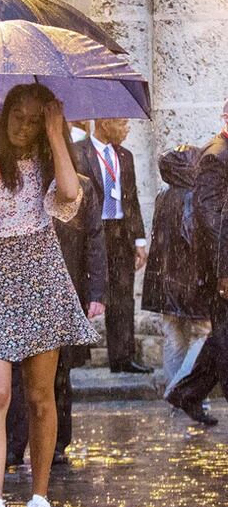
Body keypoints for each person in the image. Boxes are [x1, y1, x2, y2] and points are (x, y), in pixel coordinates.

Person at [0, 84, 98, 507]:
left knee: (39, 397)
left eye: (34, 119)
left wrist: (57, 132)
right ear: (4, 113)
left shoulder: (49, 166)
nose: (23, 125)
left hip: (40, 275)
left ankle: (39, 498)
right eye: (18, 115)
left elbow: (70, 197)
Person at [6, 173, 107, 467]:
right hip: (19, 287)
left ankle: (57, 443)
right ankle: (14, 442)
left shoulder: (80, 186)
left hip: (65, 285)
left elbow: (94, 239)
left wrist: (96, 291)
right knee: (16, 370)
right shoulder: (12, 181)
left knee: (58, 371)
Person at [73, 119, 152, 374]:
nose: (127, 128)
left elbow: (132, 198)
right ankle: (78, 352)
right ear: (105, 124)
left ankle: (122, 357)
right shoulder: (77, 152)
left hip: (120, 232)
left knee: (122, 295)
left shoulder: (125, 156)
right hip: (90, 233)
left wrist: (139, 240)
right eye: (122, 123)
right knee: (86, 289)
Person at [166, 105, 228, 426]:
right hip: (222, 269)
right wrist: (224, 271)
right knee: (225, 338)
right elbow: (212, 219)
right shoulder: (216, 157)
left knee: (222, 337)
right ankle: (189, 390)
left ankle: (189, 391)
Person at [142, 146, 212, 399]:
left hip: (166, 280)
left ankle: (175, 390)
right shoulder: (193, 197)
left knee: (174, 336)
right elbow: (195, 240)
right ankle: (180, 390)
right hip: (190, 280)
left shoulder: (164, 195)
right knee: (206, 334)